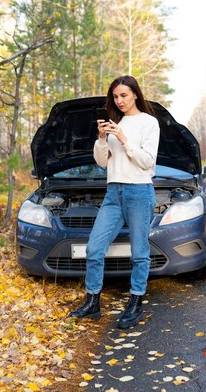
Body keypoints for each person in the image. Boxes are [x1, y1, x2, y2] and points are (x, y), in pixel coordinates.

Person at [68, 75, 160, 329]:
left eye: (124, 95)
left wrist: (123, 138)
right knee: (94, 248)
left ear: (135, 95)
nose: (119, 101)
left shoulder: (148, 123)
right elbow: (101, 162)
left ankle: (136, 302)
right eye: (116, 96)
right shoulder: (113, 123)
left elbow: (146, 162)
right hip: (113, 193)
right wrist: (100, 138)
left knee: (140, 253)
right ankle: (93, 303)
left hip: (139, 192)